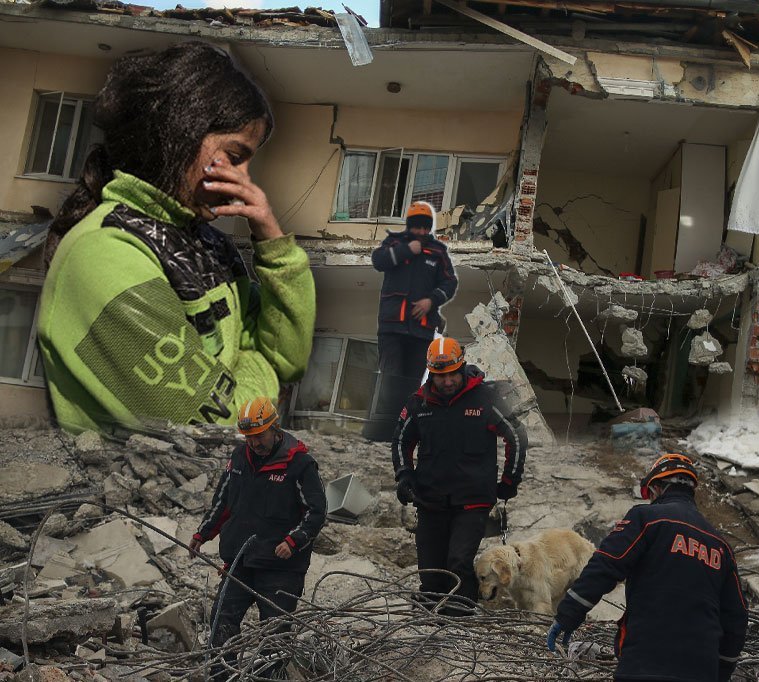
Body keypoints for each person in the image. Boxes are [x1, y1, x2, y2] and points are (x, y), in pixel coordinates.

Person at [38, 42, 315, 434]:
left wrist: (275, 245)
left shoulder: (211, 245)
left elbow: (288, 359)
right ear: (177, 133)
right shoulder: (103, 254)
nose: (243, 182)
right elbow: (214, 430)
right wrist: (261, 369)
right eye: (234, 156)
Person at [547, 453, 748, 682]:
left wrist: (568, 614)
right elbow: (736, 616)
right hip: (702, 670)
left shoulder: (647, 518)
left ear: (655, 488)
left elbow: (606, 565)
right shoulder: (720, 546)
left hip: (645, 663)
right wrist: (721, 672)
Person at [189, 397, 326, 679]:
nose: (254, 443)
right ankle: (220, 676)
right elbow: (224, 502)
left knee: (274, 634)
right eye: (248, 437)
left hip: (281, 568)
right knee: (221, 623)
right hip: (241, 560)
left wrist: (294, 541)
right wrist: (203, 533)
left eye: (259, 436)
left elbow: (316, 511)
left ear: (275, 428)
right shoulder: (239, 458)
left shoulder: (300, 465)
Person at [392, 336, 527, 613]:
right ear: (431, 373)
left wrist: (509, 481)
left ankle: (461, 620)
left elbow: (516, 436)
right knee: (430, 572)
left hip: (473, 500)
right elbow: (400, 441)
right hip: (430, 499)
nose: (448, 381)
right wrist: (404, 474)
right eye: (441, 376)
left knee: (458, 562)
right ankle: (432, 622)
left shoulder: (487, 398)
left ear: (462, 367)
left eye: (453, 374)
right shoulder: (419, 403)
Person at [371, 201, 458, 380]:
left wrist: (431, 301)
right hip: (392, 329)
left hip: (422, 331)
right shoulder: (394, 242)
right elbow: (378, 261)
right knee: (389, 381)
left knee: (411, 385)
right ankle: (385, 409)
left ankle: (406, 409)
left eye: (426, 228)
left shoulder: (438, 251)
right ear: (410, 226)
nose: (422, 232)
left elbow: (450, 281)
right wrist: (406, 250)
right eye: (418, 227)